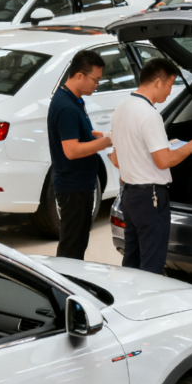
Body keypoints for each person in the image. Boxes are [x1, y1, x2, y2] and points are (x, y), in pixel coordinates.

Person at [110, 58, 192, 274]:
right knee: (151, 264)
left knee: (132, 260)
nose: (170, 92)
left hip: (129, 196)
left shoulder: (122, 108)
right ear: (158, 82)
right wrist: (189, 148)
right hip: (150, 198)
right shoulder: (150, 115)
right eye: (169, 85)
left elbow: (116, 159)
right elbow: (163, 161)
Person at [47, 50, 111, 260]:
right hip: (73, 187)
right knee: (72, 247)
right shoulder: (66, 106)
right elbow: (71, 150)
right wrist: (105, 142)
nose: (96, 85)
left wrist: (96, 135)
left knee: (78, 241)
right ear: (79, 75)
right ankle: (65, 279)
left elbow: (77, 133)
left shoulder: (74, 100)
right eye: (95, 80)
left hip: (80, 184)